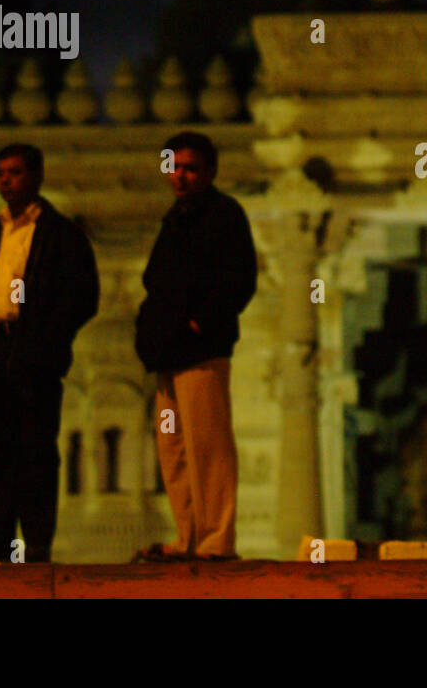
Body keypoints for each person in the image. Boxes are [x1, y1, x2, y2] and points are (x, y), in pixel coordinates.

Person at [0, 143, 99, 563]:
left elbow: (82, 295)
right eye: (1, 172)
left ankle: (36, 541)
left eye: (14, 172)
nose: (6, 180)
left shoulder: (60, 235)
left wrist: (45, 342)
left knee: (35, 449)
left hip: (35, 355)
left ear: (36, 176)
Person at [134, 132, 256, 562]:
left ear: (209, 172)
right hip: (167, 354)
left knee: (208, 444)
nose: (179, 175)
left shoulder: (223, 214)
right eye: (174, 167)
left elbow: (240, 278)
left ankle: (216, 540)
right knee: (174, 447)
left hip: (200, 351)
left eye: (189, 168)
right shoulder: (176, 217)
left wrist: (200, 321)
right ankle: (187, 536)